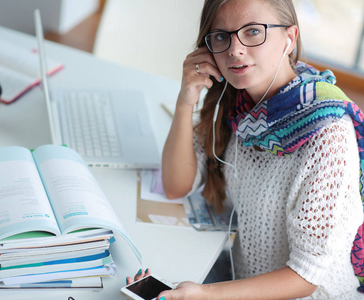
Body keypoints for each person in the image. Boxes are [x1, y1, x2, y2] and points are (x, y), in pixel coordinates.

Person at [127, 0, 364, 299]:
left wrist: (206, 294)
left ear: (289, 39)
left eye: (253, 31)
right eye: (222, 36)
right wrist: (185, 100)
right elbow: (176, 186)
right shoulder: (239, 106)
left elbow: (306, 276)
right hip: (243, 279)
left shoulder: (326, 135)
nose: (235, 50)